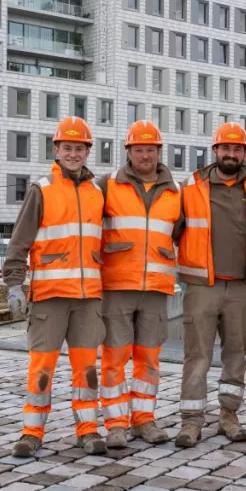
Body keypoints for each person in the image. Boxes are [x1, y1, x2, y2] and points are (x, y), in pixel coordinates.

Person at [2, 116, 107, 458]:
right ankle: (32, 433)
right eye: (68, 148)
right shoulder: (42, 189)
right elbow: (19, 242)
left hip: (87, 299)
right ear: (56, 149)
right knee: (42, 367)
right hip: (49, 298)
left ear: (87, 151)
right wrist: (14, 284)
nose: (74, 154)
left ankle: (87, 430)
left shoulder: (96, 193)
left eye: (80, 148)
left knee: (87, 369)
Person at [173, 122, 246, 448]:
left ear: (245, 153)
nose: (231, 153)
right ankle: (191, 422)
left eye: (237, 149)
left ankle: (229, 415)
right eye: (225, 148)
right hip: (202, 288)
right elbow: (168, 232)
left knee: (237, 354)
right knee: (196, 355)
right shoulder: (191, 186)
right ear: (214, 151)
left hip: (242, 287)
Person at [95, 120, 182, 448]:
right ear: (128, 152)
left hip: (156, 290)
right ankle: (116, 422)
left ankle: (144, 418)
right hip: (117, 286)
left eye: (151, 149)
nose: (145, 155)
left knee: (149, 358)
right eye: (139, 149)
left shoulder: (176, 193)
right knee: (114, 357)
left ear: (159, 152)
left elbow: (180, 235)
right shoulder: (107, 186)